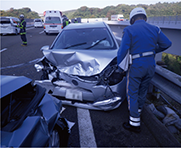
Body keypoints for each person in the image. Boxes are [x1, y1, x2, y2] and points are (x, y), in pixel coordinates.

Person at [117, 7, 172, 133]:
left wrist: (120, 67)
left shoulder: (129, 30)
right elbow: (167, 43)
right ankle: (138, 112)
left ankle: (134, 123)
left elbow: (123, 50)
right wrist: (151, 51)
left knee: (132, 93)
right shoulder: (155, 29)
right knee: (142, 91)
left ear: (132, 19)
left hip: (137, 65)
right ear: (145, 17)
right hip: (150, 65)